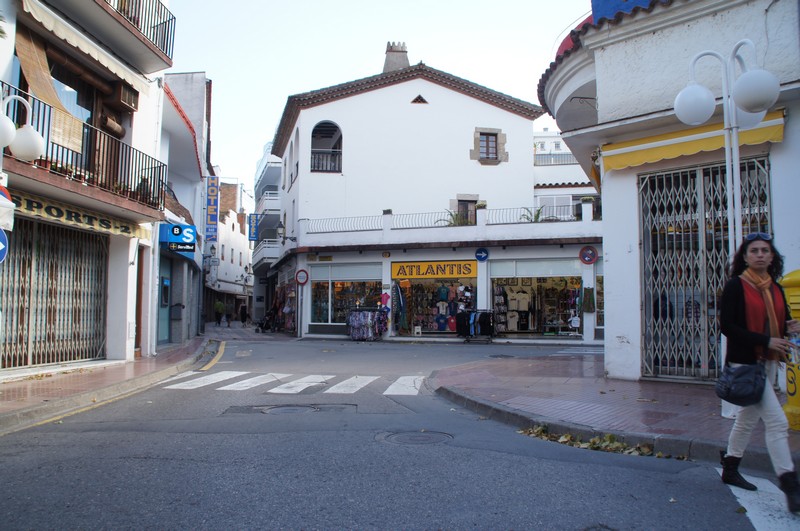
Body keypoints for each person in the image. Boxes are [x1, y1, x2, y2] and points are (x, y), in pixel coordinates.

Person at [718, 232, 800, 513]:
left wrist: (789, 327)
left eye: (765, 250)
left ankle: (730, 467)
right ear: (745, 256)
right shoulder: (736, 286)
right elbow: (727, 326)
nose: (760, 255)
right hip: (746, 364)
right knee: (777, 423)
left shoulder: (775, 288)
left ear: (772, 256)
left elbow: (780, 321)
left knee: (747, 419)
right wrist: (765, 341)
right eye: (754, 251)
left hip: (768, 362)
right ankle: (790, 485)